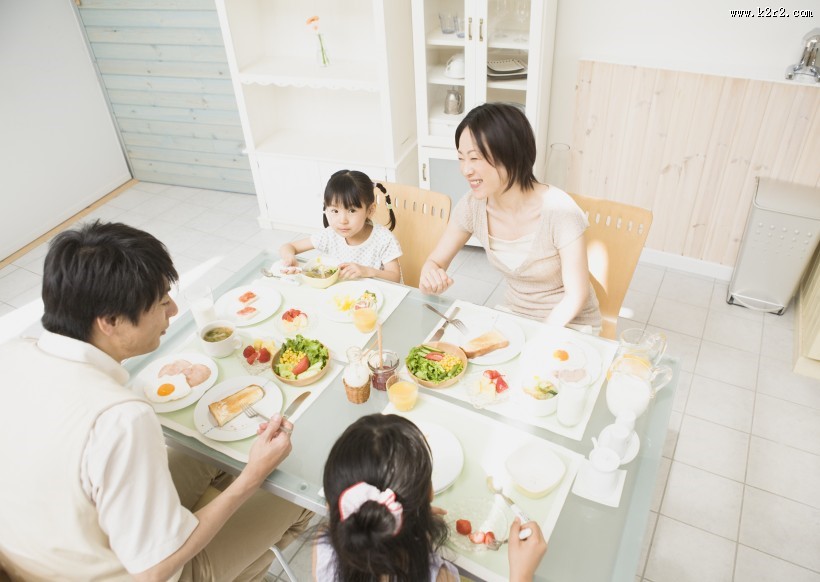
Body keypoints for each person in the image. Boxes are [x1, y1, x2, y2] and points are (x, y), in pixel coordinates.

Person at [0, 221, 313, 581]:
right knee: (294, 496)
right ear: (110, 321)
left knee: (209, 452)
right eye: (162, 301)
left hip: (48, 550)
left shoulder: (11, 352)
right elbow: (154, 570)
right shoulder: (121, 417)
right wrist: (252, 477)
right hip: (138, 572)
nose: (174, 310)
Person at [419, 103, 601, 333]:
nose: (465, 170)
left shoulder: (560, 211)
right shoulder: (472, 206)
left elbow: (576, 296)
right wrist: (430, 274)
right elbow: (435, 261)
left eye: (474, 158)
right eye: (461, 158)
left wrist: (538, 337)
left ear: (510, 155)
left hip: (570, 324)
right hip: (516, 317)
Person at [314, 414, 548, 582]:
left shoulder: (323, 545)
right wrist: (522, 574)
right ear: (430, 492)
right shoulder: (439, 577)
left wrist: (412, 523)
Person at [279, 169, 403, 283]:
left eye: (352, 211)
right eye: (335, 211)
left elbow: (395, 277)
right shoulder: (330, 235)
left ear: (370, 210)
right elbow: (288, 246)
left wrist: (367, 271)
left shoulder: (383, 239)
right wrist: (289, 258)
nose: (342, 220)